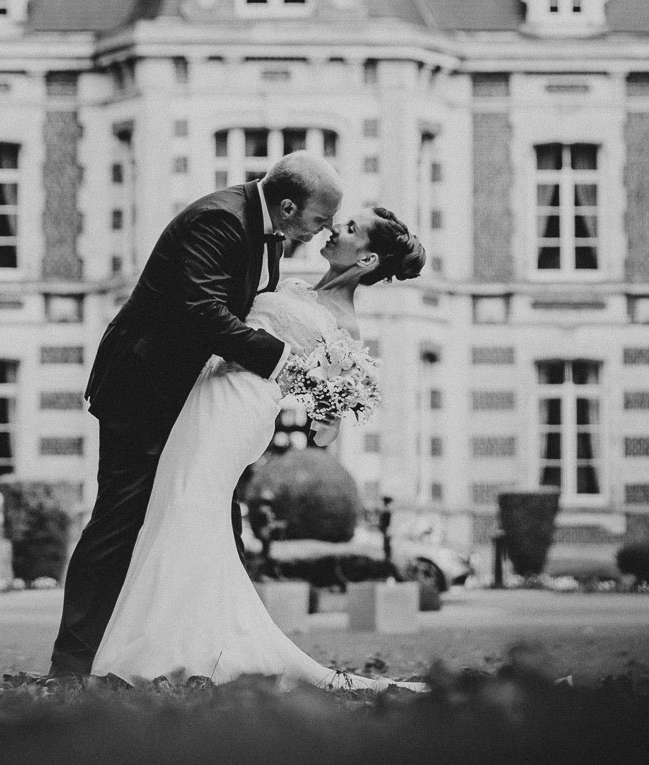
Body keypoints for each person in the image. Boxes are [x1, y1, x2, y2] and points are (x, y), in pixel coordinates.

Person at [89, 205, 428, 692]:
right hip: (205, 393)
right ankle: (190, 643)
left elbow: (327, 422)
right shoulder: (289, 285)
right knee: (176, 507)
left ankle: (158, 652)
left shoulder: (346, 327)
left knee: (188, 505)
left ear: (369, 259)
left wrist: (327, 405)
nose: (335, 228)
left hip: (243, 410)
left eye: (350, 228)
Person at [47, 151, 341, 681]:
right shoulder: (219, 220)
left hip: (190, 400)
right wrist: (281, 362)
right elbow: (201, 312)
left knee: (207, 518)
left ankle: (206, 651)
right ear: (290, 205)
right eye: (318, 220)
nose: (321, 233)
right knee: (119, 521)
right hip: (140, 393)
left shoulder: (265, 231)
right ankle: (71, 663)